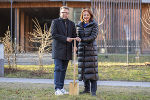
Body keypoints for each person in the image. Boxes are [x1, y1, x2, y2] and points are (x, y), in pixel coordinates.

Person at [51, 6, 78, 95]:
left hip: (67, 50)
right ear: (60, 13)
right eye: (63, 12)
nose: (64, 14)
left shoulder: (71, 24)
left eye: (66, 12)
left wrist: (75, 46)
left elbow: (74, 36)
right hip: (58, 50)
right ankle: (57, 89)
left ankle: (61, 87)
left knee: (63, 70)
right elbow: (54, 34)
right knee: (58, 69)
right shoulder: (55, 22)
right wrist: (65, 38)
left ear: (68, 13)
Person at [76, 8, 99, 96]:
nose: (86, 16)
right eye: (84, 15)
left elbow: (93, 36)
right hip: (82, 50)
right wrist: (76, 46)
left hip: (91, 50)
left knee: (92, 71)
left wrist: (82, 39)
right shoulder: (79, 25)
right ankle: (86, 89)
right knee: (84, 70)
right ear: (82, 16)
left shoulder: (94, 25)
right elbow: (77, 36)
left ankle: (93, 91)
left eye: (87, 15)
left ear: (90, 16)